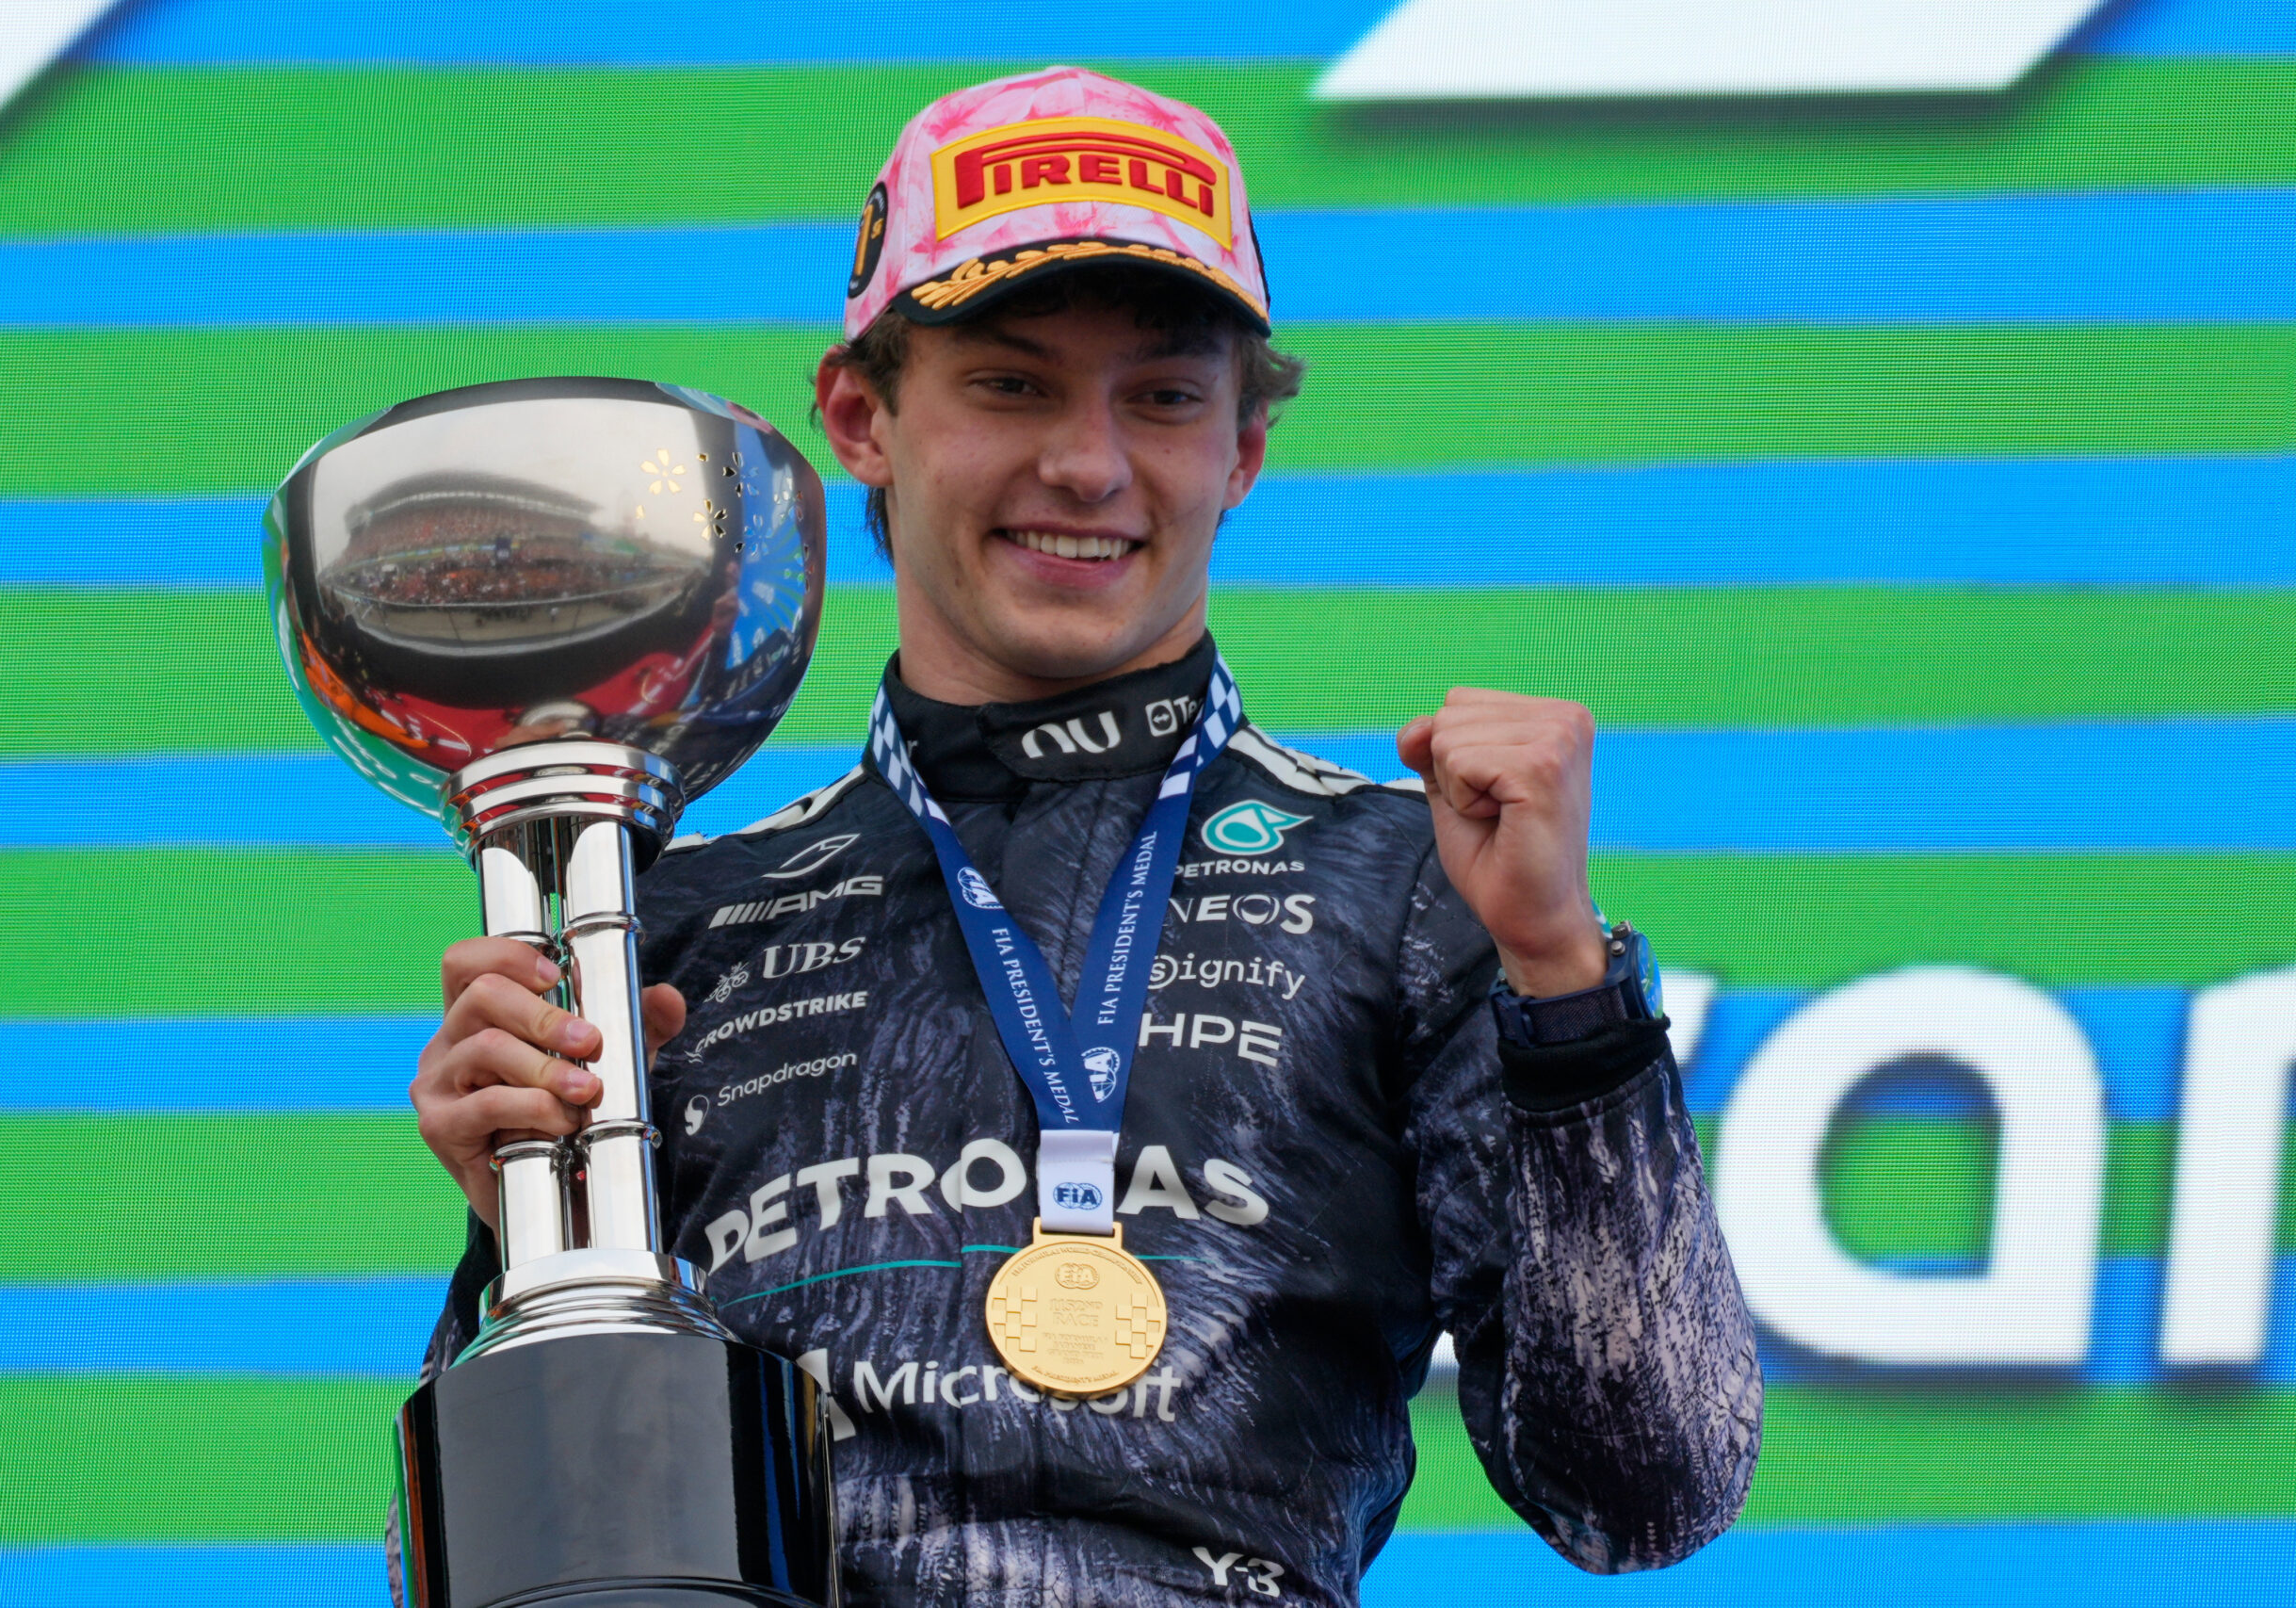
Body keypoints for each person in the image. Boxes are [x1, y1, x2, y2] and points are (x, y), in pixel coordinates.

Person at [407, 65, 1762, 1608]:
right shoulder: (679, 928)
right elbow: (506, 1581)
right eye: (1012, 385)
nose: (1089, 464)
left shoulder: (1414, 886)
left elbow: (1646, 1492)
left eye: (1164, 397)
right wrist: (530, 1242)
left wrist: (1566, 986)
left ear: (1244, 448)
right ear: (860, 416)